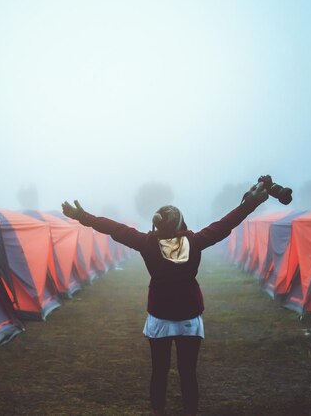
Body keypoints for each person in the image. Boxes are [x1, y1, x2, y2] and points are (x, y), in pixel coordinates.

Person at [62, 178, 271, 416]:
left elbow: (114, 228)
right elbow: (226, 224)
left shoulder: (147, 243)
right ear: (181, 222)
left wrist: (83, 216)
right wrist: (251, 202)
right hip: (189, 317)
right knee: (188, 373)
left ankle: (157, 412)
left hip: (160, 317)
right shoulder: (195, 242)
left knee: (159, 371)